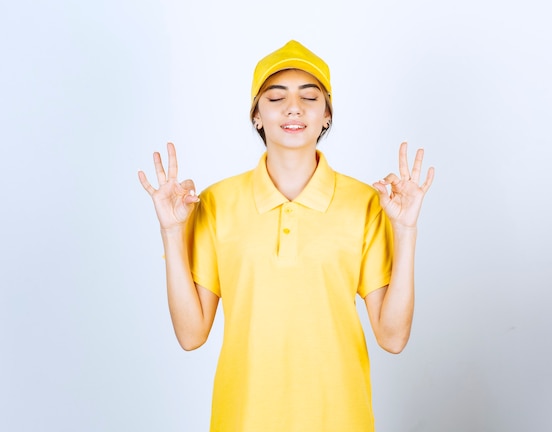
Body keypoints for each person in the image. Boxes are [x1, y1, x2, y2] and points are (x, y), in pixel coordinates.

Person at [138, 40, 434, 432]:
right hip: (242, 419)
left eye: (309, 97)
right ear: (257, 115)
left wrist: (406, 229)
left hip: (341, 418)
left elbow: (393, 338)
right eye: (276, 97)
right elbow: (191, 335)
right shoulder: (215, 203)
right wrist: (173, 231)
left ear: (326, 116)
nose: (294, 107)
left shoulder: (365, 202)